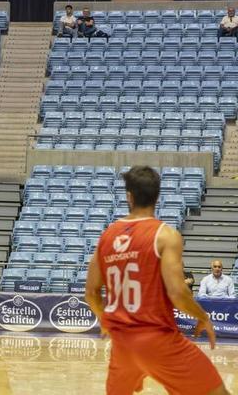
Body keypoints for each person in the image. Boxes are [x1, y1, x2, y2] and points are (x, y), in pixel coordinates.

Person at [85, 166, 227, 395]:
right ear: (157, 196)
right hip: (158, 340)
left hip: (122, 344)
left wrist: (107, 321)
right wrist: (203, 317)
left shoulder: (106, 236)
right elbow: (178, 293)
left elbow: (91, 294)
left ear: (128, 197)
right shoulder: (165, 235)